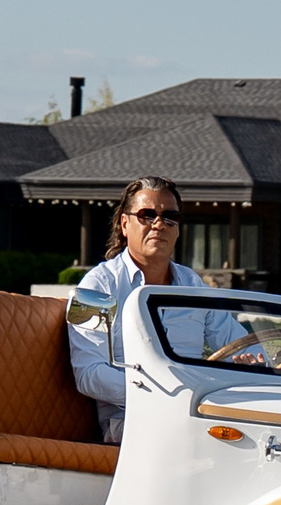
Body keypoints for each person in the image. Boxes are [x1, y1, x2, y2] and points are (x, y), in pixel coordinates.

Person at [67, 176, 254, 443]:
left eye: (170, 217)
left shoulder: (193, 285)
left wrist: (252, 363)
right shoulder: (98, 285)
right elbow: (88, 374)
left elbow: (241, 344)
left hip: (197, 414)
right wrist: (166, 393)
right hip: (131, 420)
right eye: (147, 215)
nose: (159, 224)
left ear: (177, 228)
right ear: (124, 223)